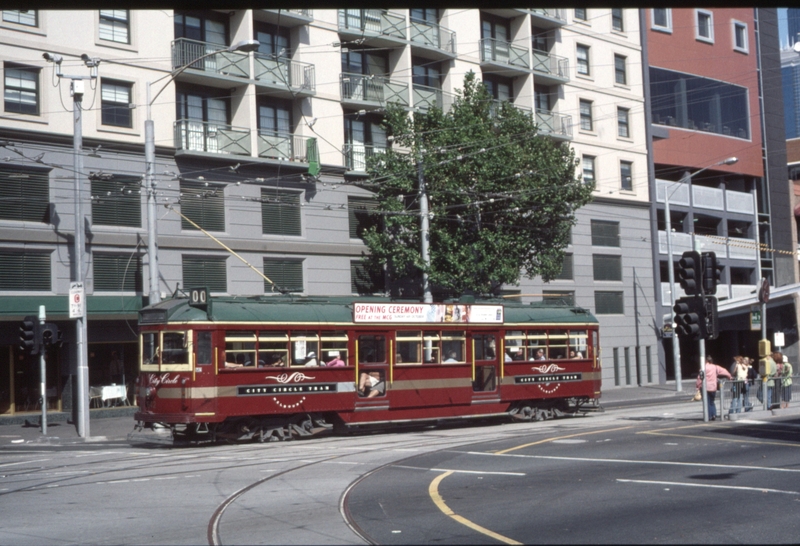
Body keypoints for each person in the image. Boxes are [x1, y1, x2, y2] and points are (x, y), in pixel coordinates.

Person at [697, 355, 731, 421]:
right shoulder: (715, 367)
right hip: (713, 387)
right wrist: (729, 376)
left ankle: (708, 416)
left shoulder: (703, 368)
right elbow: (724, 370)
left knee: (707, 402)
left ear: (706, 361)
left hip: (705, 387)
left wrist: (698, 386)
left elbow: (699, 378)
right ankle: (714, 415)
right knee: (712, 402)